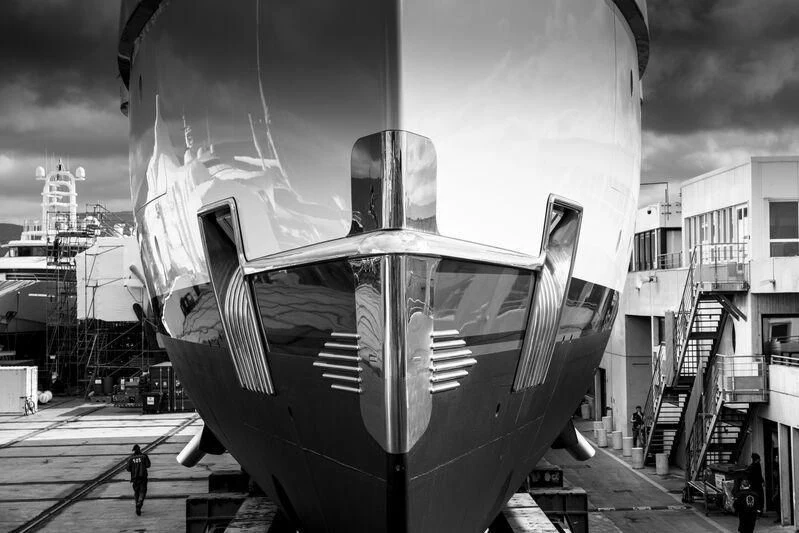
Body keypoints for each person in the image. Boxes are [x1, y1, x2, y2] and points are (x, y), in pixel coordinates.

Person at [126, 444, 151, 515]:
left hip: (134, 478)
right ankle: (139, 503)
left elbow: (128, 469)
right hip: (143, 477)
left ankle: (137, 505)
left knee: (136, 492)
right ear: (139, 449)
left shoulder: (131, 458)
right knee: (142, 491)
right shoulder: (144, 456)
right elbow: (148, 465)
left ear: (133, 451)